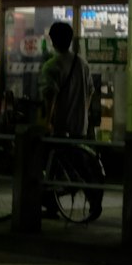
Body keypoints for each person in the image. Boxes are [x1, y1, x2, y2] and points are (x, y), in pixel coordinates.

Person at [39, 20, 101, 220]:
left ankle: (51, 203)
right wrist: (81, 110)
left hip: (60, 126)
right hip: (79, 125)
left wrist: (47, 121)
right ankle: (92, 200)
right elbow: (91, 91)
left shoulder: (52, 65)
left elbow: (51, 96)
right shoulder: (82, 63)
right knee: (77, 163)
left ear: (53, 40)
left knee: (45, 162)